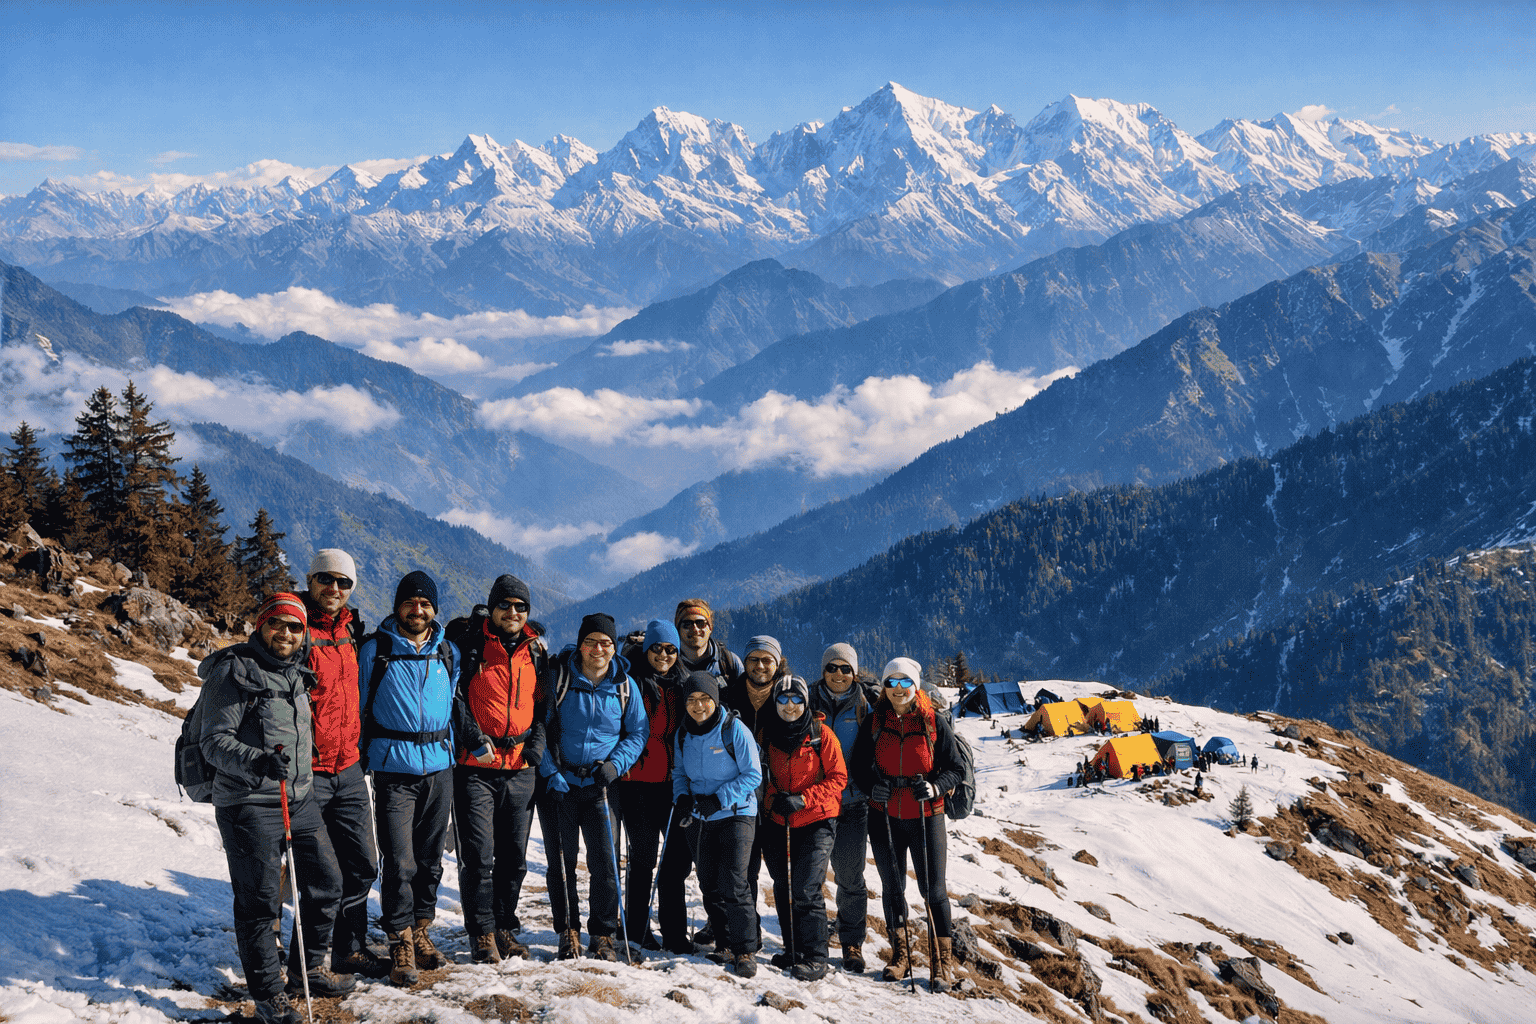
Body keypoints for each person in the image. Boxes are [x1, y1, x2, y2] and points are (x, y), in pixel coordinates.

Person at [200, 593, 352, 1024]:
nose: (286, 634)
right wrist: (256, 760)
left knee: (327, 881)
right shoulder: (234, 673)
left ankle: (309, 969)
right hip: (248, 803)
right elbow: (214, 741)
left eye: (295, 627)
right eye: (277, 624)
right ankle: (269, 996)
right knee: (260, 902)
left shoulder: (298, 672)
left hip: (298, 798)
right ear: (261, 625)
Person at [357, 570, 458, 986]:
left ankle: (421, 928)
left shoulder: (447, 652)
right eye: (409, 603)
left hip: (439, 765)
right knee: (399, 861)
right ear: (397, 606)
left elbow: (453, 703)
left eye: (425, 604)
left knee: (431, 857)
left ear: (435, 610)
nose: (417, 610)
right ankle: (399, 937)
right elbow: (359, 706)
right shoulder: (376, 651)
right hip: (393, 767)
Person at [537, 613, 649, 961]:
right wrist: (549, 770)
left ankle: (602, 934)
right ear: (580, 644)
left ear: (614, 648)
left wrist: (616, 764)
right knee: (561, 861)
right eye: (591, 641)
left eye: (606, 643)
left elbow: (638, 732)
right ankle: (567, 931)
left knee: (605, 861)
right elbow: (537, 726)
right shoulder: (559, 678)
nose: (598, 649)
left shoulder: (624, 686)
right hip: (560, 783)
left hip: (602, 785)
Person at [450, 574, 548, 964]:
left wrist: (536, 745)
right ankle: (482, 933)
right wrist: (474, 738)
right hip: (476, 766)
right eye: (505, 605)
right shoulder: (470, 645)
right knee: (479, 854)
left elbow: (544, 705)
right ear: (491, 607)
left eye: (520, 606)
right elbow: (453, 696)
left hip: (521, 766)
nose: (512, 612)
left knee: (515, 857)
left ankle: (504, 925)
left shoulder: (535, 651)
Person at [299, 549, 388, 979]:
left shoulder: (352, 631)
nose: (334, 589)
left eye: (344, 582)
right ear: (310, 579)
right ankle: (309, 959)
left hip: (349, 768)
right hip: (309, 771)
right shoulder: (294, 628)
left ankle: (347, 948)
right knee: (321, 873)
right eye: (326, 579)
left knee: (363, 865)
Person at [851, 658, 963, 994]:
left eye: (905, 683)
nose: (898, 690)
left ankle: (941, 962)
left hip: (927, 816)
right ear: (884, 687)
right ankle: (901, 955)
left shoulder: (933, 722)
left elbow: (955, 768)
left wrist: (934, 787)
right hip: (884, 815)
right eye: (891, 682)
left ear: (916, 686)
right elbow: (858, 766)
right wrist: (873, 787)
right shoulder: (874, 722)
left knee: (933, 891)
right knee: (893, 887)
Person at [672, 671, 762, 978]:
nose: (698, 706)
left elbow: (753, 775)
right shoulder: (682, 733)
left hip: (736, 814)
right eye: (692, 700)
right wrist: (682, 797)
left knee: (734, 883)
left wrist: (720, 798)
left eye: (705, 699)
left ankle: (745, 950)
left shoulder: (733, 729)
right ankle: (724, 944)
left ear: (716, 699)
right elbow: (679, 774)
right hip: (700, 817)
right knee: (708, 883)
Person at [613, 620, 693, 953]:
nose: (663, 655)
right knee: (643, 858)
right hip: (638, 784)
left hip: (672, 785)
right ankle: (635, 929)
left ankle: (674, 932)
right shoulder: (631, 683)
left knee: (675, 863)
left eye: (670, 649)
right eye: (657, 648)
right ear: (647, 650)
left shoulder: (683, 685)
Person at [761, 674, 846, 981]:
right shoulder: (767, 735)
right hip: (779, 820)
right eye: (783, 699)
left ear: (806, 701)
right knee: (783, 886)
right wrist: (774, 802)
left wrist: (803, 799)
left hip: (816, 820)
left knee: (806, 888)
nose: (790, 705)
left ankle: (816, 957)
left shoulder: (821, 735)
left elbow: (838, 779)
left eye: (797, 698)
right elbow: (762, 777)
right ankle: (794, 950)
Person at [809, 642, 877, 973]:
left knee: (850, 876)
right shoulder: (805, 701)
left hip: (852, 803)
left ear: (855, 672)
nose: (838, 674)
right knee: (810, 876)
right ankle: (812, 937)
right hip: (816, 803)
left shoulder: (867, 706)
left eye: (845, 668)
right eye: (832, 667)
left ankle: (851, 941)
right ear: (822, 671)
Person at [674, 598, 744, 696]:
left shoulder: (729, 662)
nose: (695, 629)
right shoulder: (669, 663)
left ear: (710, 628)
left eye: (700, 623)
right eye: (687, 624)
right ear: (678, 629)